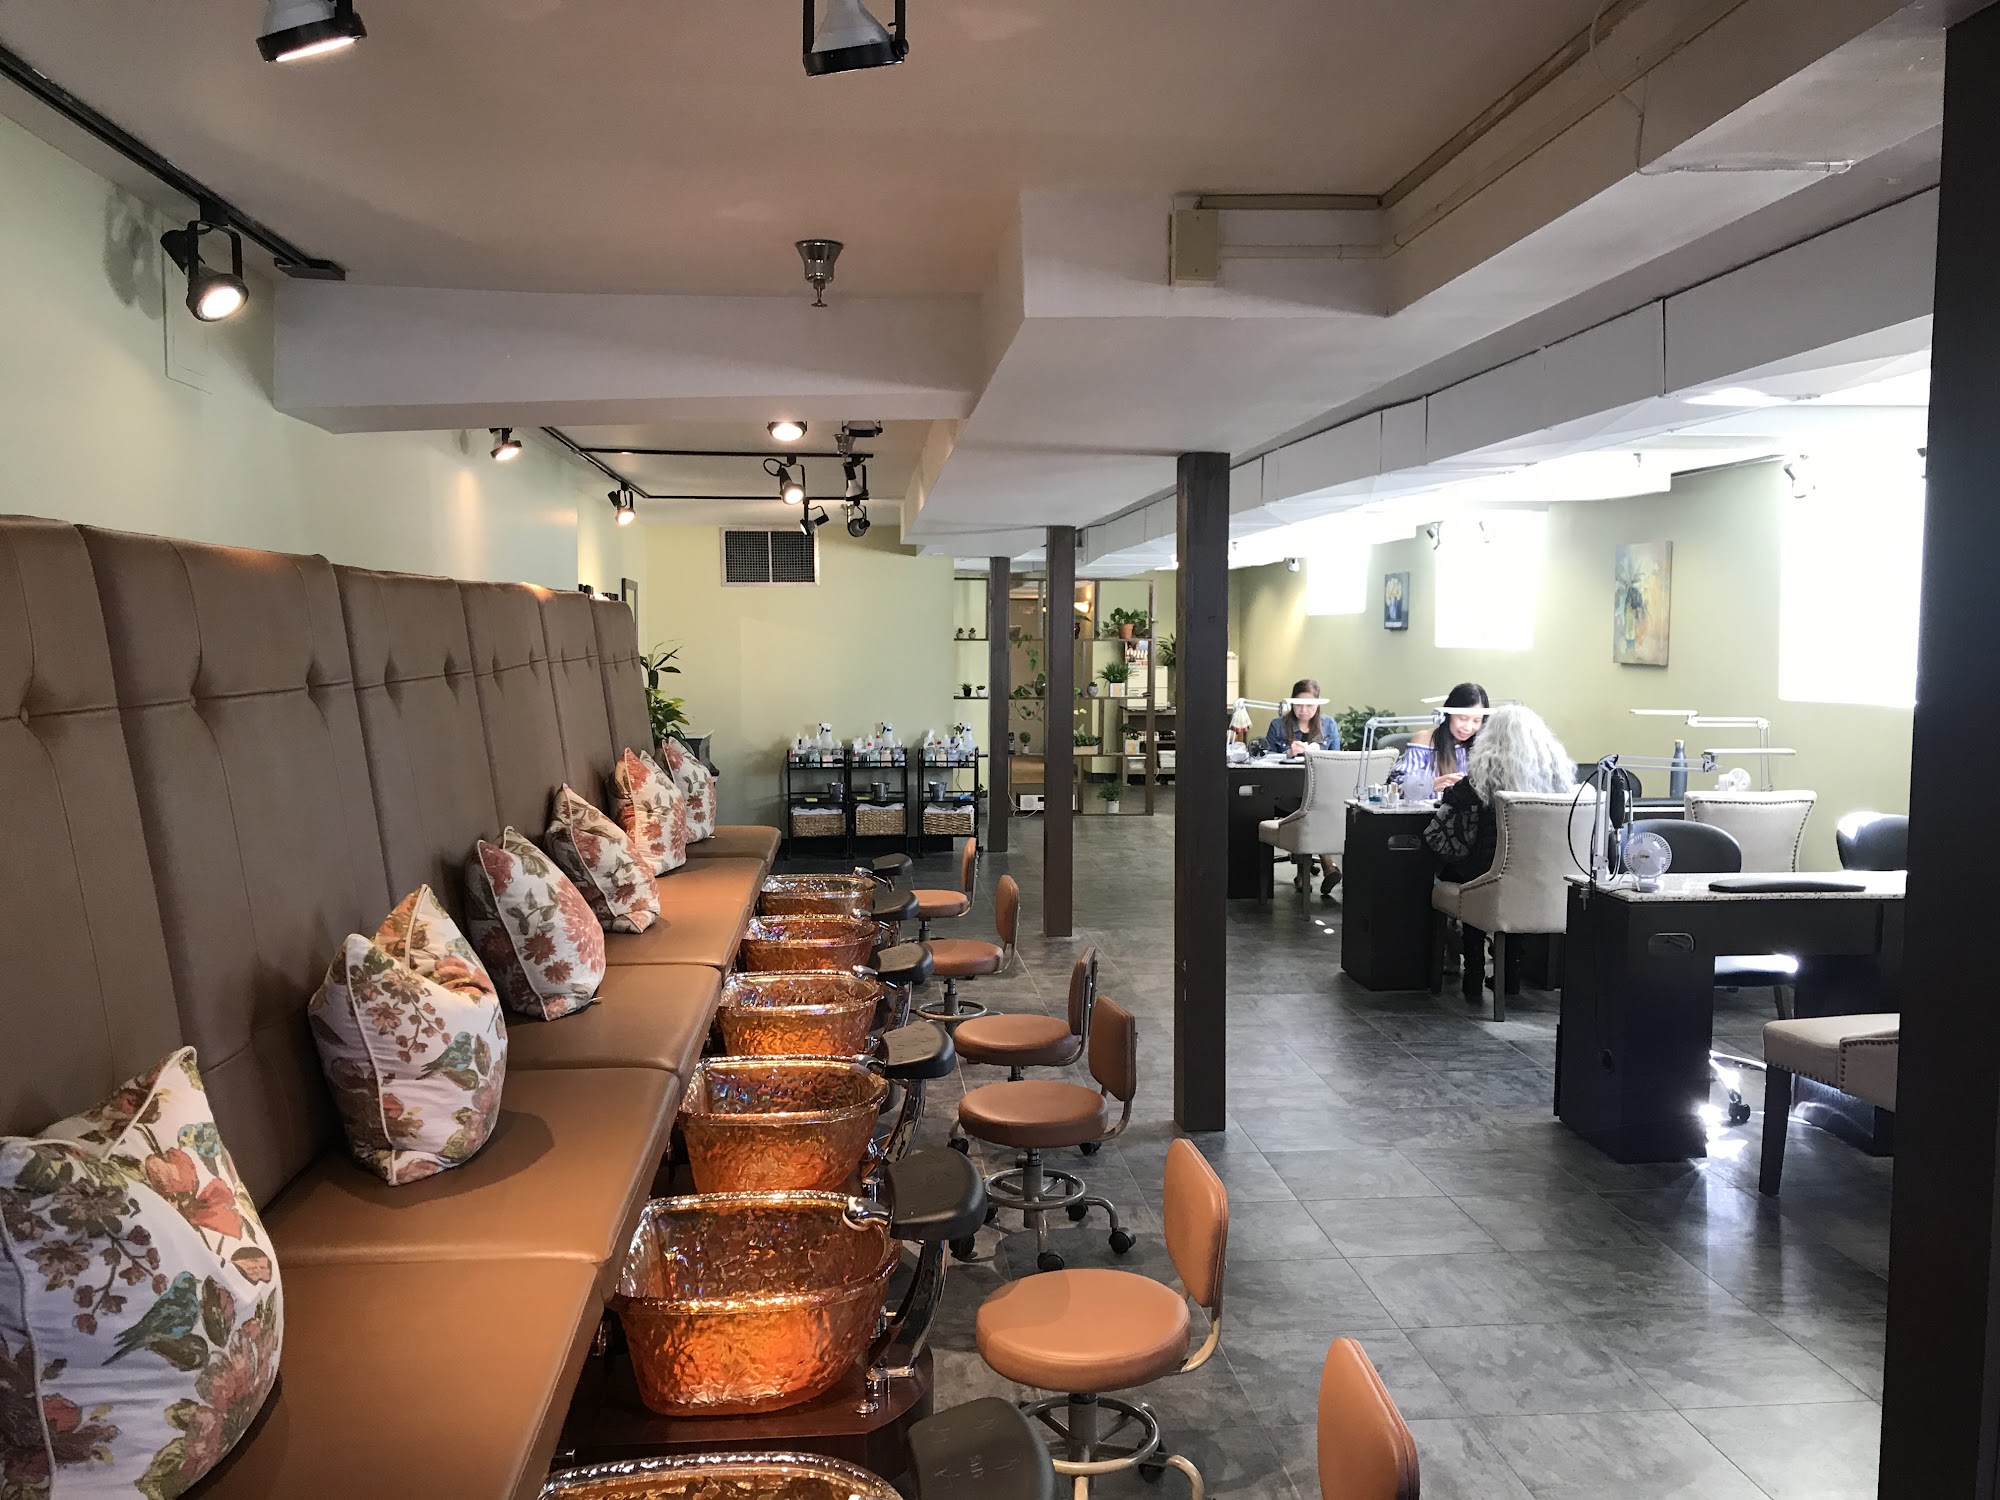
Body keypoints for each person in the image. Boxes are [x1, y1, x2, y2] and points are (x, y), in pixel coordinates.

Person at [1423, 704, 1574, 1000]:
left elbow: (1441, 835)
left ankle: (1473, 971)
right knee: (1513, 881)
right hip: (1544, 883)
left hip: (1486, 881)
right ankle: (1510, 975)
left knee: (1471, 874)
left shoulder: (1477, 782)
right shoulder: (1560, 783)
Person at [1390, 682, 1488, 796]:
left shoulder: (1481, 745)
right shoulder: (1424, 740)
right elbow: (1397, 785)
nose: (1468, 727)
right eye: (1463, 718)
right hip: (1426, 806)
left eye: (1476, 721)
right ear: (1448, 715)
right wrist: (1429, 785)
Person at [1262, 680, 1340, 758]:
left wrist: (1320, 755)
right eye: (1299, 705)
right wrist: (1288, 754)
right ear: (1292, 704)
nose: (1303, 710)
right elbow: (1266, 758)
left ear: (1317, 704)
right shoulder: (1277, 725)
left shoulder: (1329, 724)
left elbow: (1336, 759)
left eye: (1309, 705)